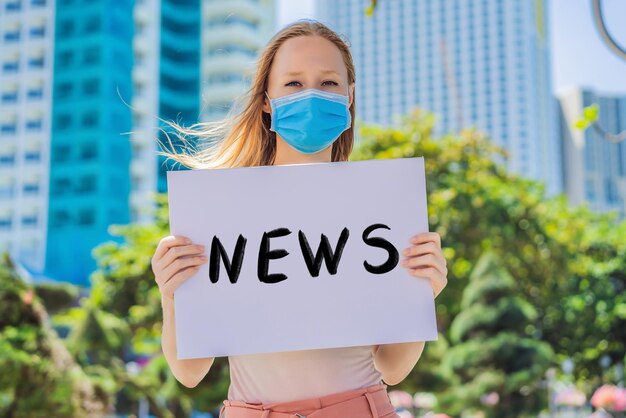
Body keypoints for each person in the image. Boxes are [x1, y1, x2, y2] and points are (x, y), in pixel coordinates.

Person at [150, 19, 448, 418]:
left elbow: (392, 367)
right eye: (293, 83)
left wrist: (420, 292)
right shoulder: (219, 210)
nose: (311, 94)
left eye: (328, 83)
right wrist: (170, 294)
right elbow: (189, 372)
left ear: (350, 97)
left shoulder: (379, 206)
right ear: (267, 101)